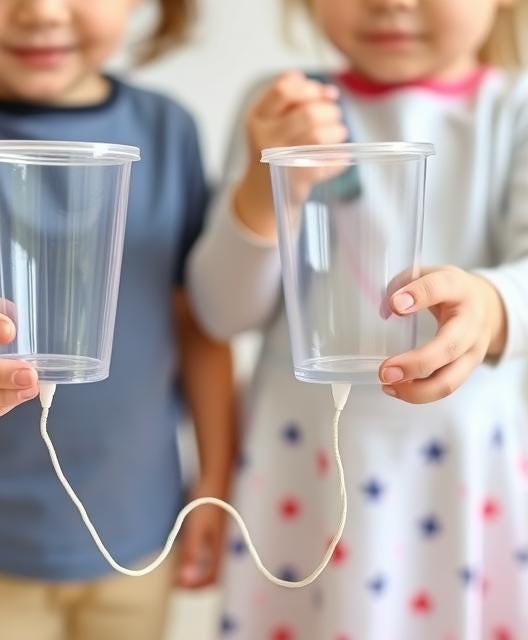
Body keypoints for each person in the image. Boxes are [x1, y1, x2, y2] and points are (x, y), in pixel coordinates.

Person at [0, 1, 235, 639]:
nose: (42, 12)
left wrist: (214, 479)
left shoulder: (165, 131)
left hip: (139, 535)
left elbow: (199, 326)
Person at [188, 0, 528, 638]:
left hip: (460, 475)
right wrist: (269, 193)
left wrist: (492, 304)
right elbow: (220, 310)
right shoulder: (280, 110)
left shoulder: (514, 112)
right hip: (300, 471)